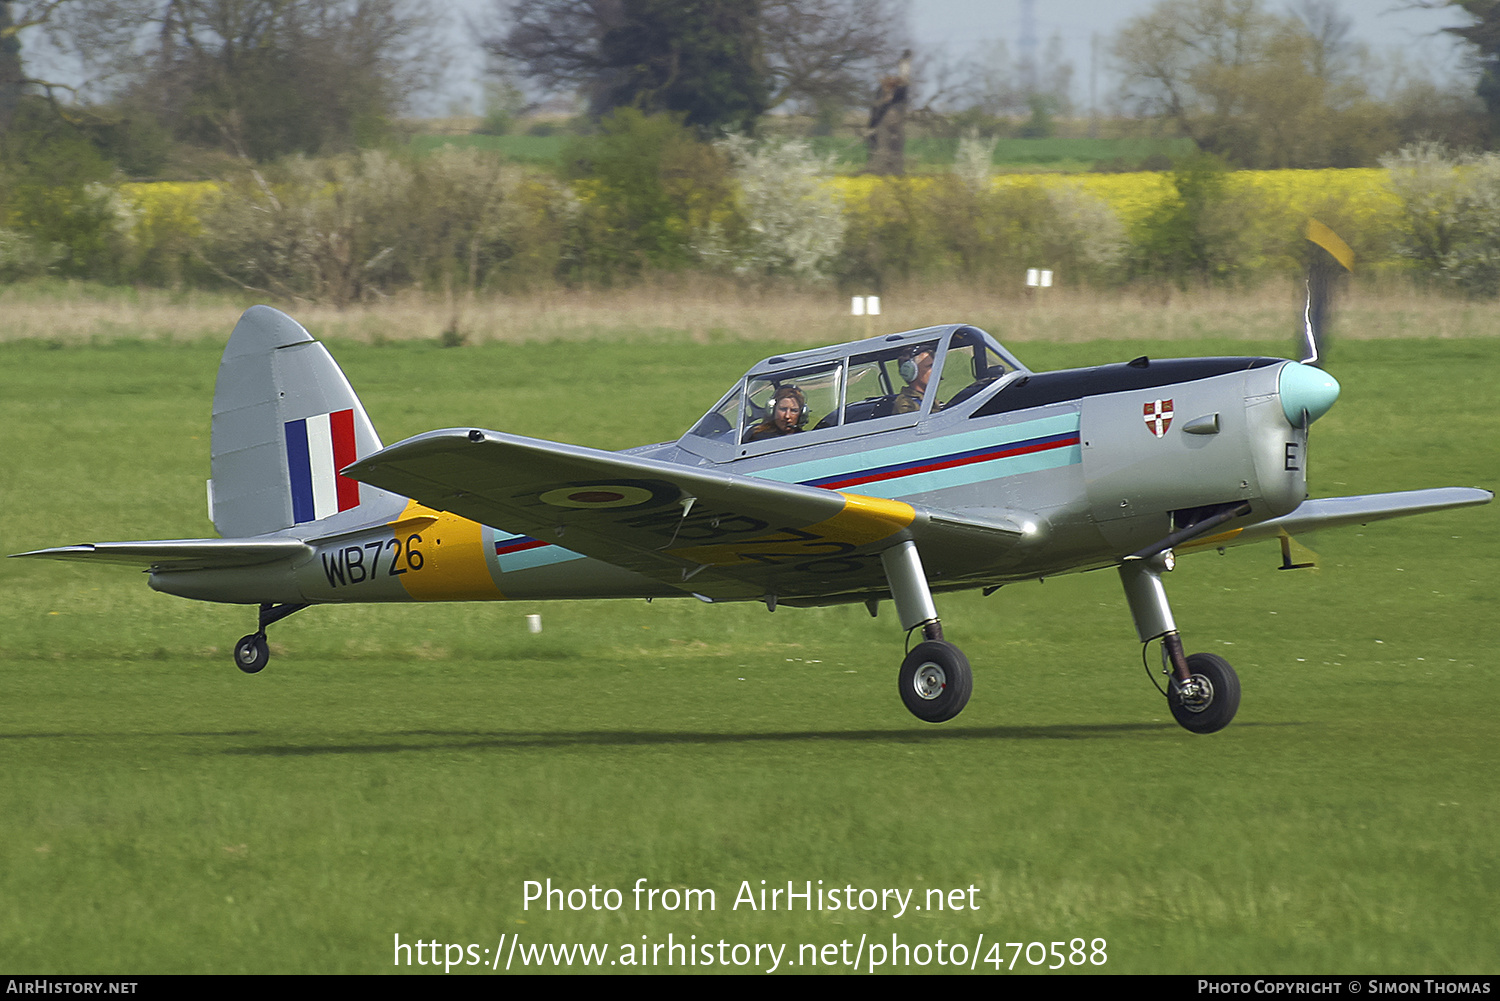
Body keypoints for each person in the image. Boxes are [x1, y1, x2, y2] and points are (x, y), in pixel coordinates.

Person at [893, 344, 936, 414]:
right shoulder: (906, 405)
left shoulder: (928, 400)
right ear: (911, 371)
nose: (935, 370)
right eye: (930, 366)